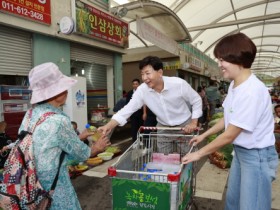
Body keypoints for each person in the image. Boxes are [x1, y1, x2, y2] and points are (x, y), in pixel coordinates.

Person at [182, 33, 278, 210]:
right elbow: (228, 118)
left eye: (222, 60)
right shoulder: (235, 85)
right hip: (242, 153)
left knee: (252, 206)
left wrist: (198, 154)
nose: (219, 65)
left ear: (237, 59)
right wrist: (204, 135)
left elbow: (230, 134)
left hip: (257, 156)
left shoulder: (252, 91)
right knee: (233, 203)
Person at [19, 62, 110, 210]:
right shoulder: (59, 120)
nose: (67, 90)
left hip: (31, 187)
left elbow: (46, 146)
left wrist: (78, 138)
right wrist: (98, 147)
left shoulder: (29, 115)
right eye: (64, 88)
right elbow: (83, 154)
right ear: (56, 93)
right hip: (54, 190)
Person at [98, 56, 202, 153]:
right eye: (142, 74)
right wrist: (109, 125)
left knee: (189, 156)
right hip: (163, 127)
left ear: (160, 72)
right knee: (163, 159)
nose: (144, 78)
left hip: (185, 126)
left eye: (147, 73)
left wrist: (193, 123)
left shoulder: (178, 84)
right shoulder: (142, 90)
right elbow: (127, 109)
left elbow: (196, 100)